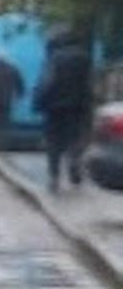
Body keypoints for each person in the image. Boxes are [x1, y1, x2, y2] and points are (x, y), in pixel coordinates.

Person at [35, 38, 96, 191]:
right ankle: (74, 160)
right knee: (76, 137)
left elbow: (46, 82)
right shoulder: (85, 58)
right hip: (79, 107)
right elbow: (90, 83)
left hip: (55, 108)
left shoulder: (54, 59)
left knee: (53, 142)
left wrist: (39, 102)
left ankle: (54, 176)